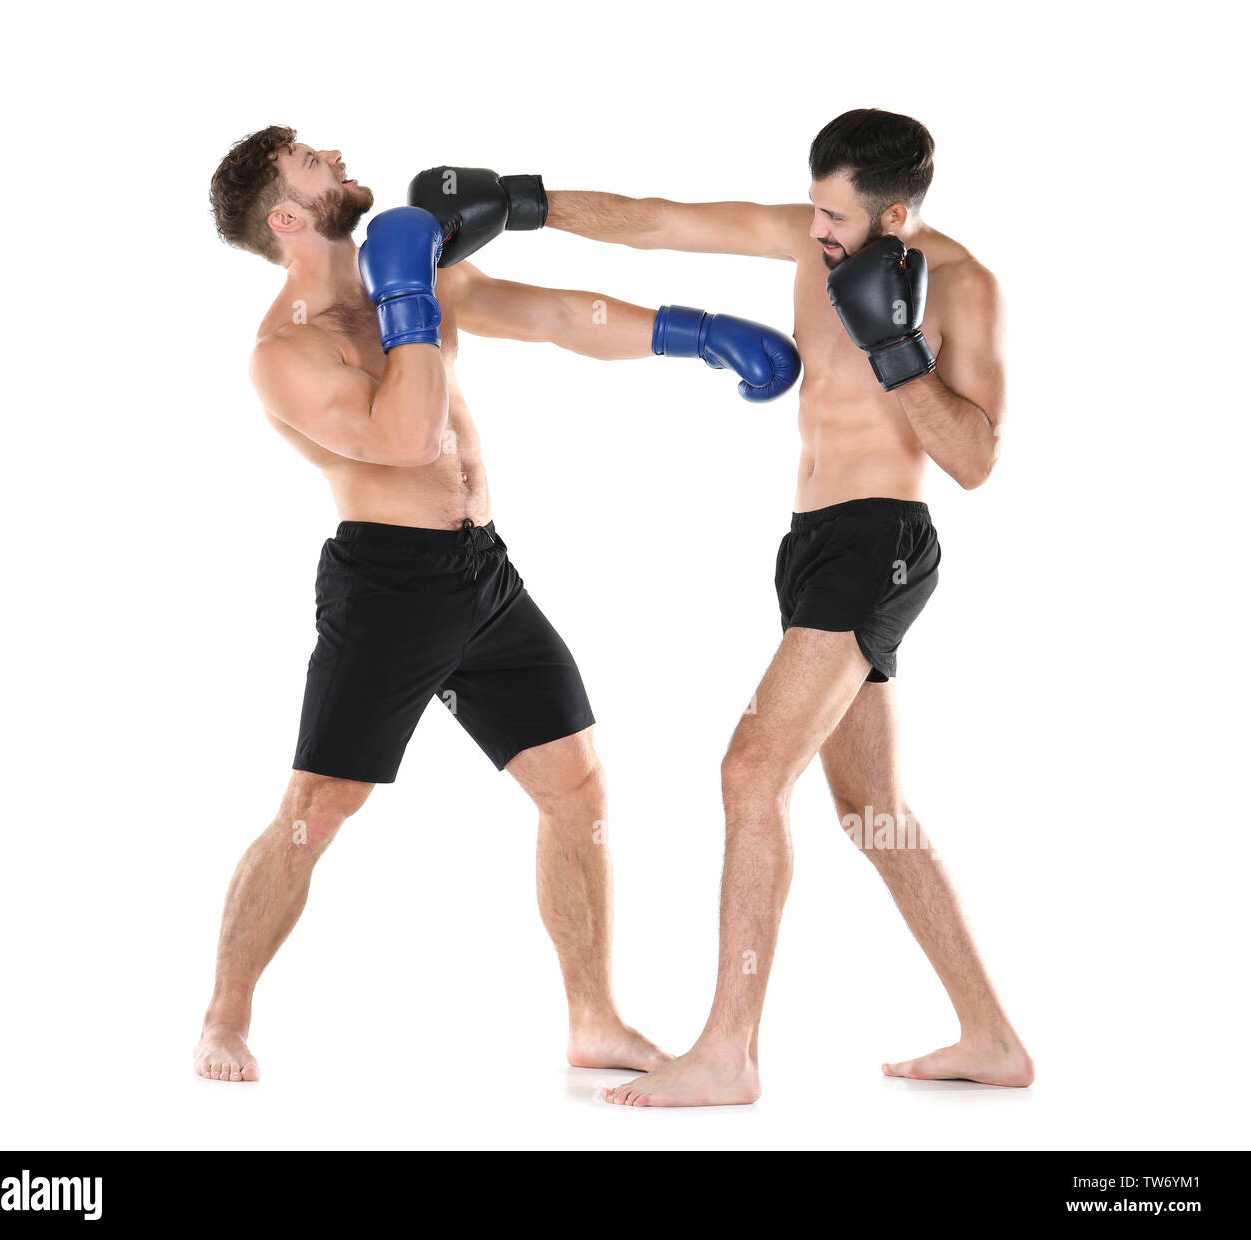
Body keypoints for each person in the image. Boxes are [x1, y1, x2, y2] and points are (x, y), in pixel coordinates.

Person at [421, 107, 1033, 1105]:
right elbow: (660, 221)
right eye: (813, 205)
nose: (818, 229)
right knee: (871, 808)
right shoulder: (807, 236)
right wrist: (526, 204)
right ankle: (991, 1036)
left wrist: (898, 353)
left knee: (749, 775)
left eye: (837, 216)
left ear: (898, 214)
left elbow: (973, 461)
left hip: (879, 542)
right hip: (812, 545)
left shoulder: (963, 286)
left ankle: (728, 1049)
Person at [196, 127, 800, 1082]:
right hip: (387, 588)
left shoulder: (420, 284)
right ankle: (224, 1017)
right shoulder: (286, 353)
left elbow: (564, 315)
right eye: (314, 163)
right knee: (318, 808)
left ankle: (593, 1019)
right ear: (286, 217)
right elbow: (405, 438)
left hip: (483, 577)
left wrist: (695, 332)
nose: (339, 157)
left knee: (577, 788)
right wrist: (406, 297)